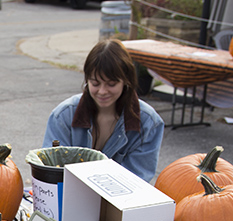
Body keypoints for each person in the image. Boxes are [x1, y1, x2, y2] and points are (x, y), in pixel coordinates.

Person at [42, 39, 164, 182]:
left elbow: (136, 181)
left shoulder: (149, 123)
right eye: (95, 83)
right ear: (87, 79)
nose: (102, 91)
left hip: (121, 201)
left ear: (126, 81)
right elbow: (50, 171)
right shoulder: (63, 116)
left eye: (111, 84)